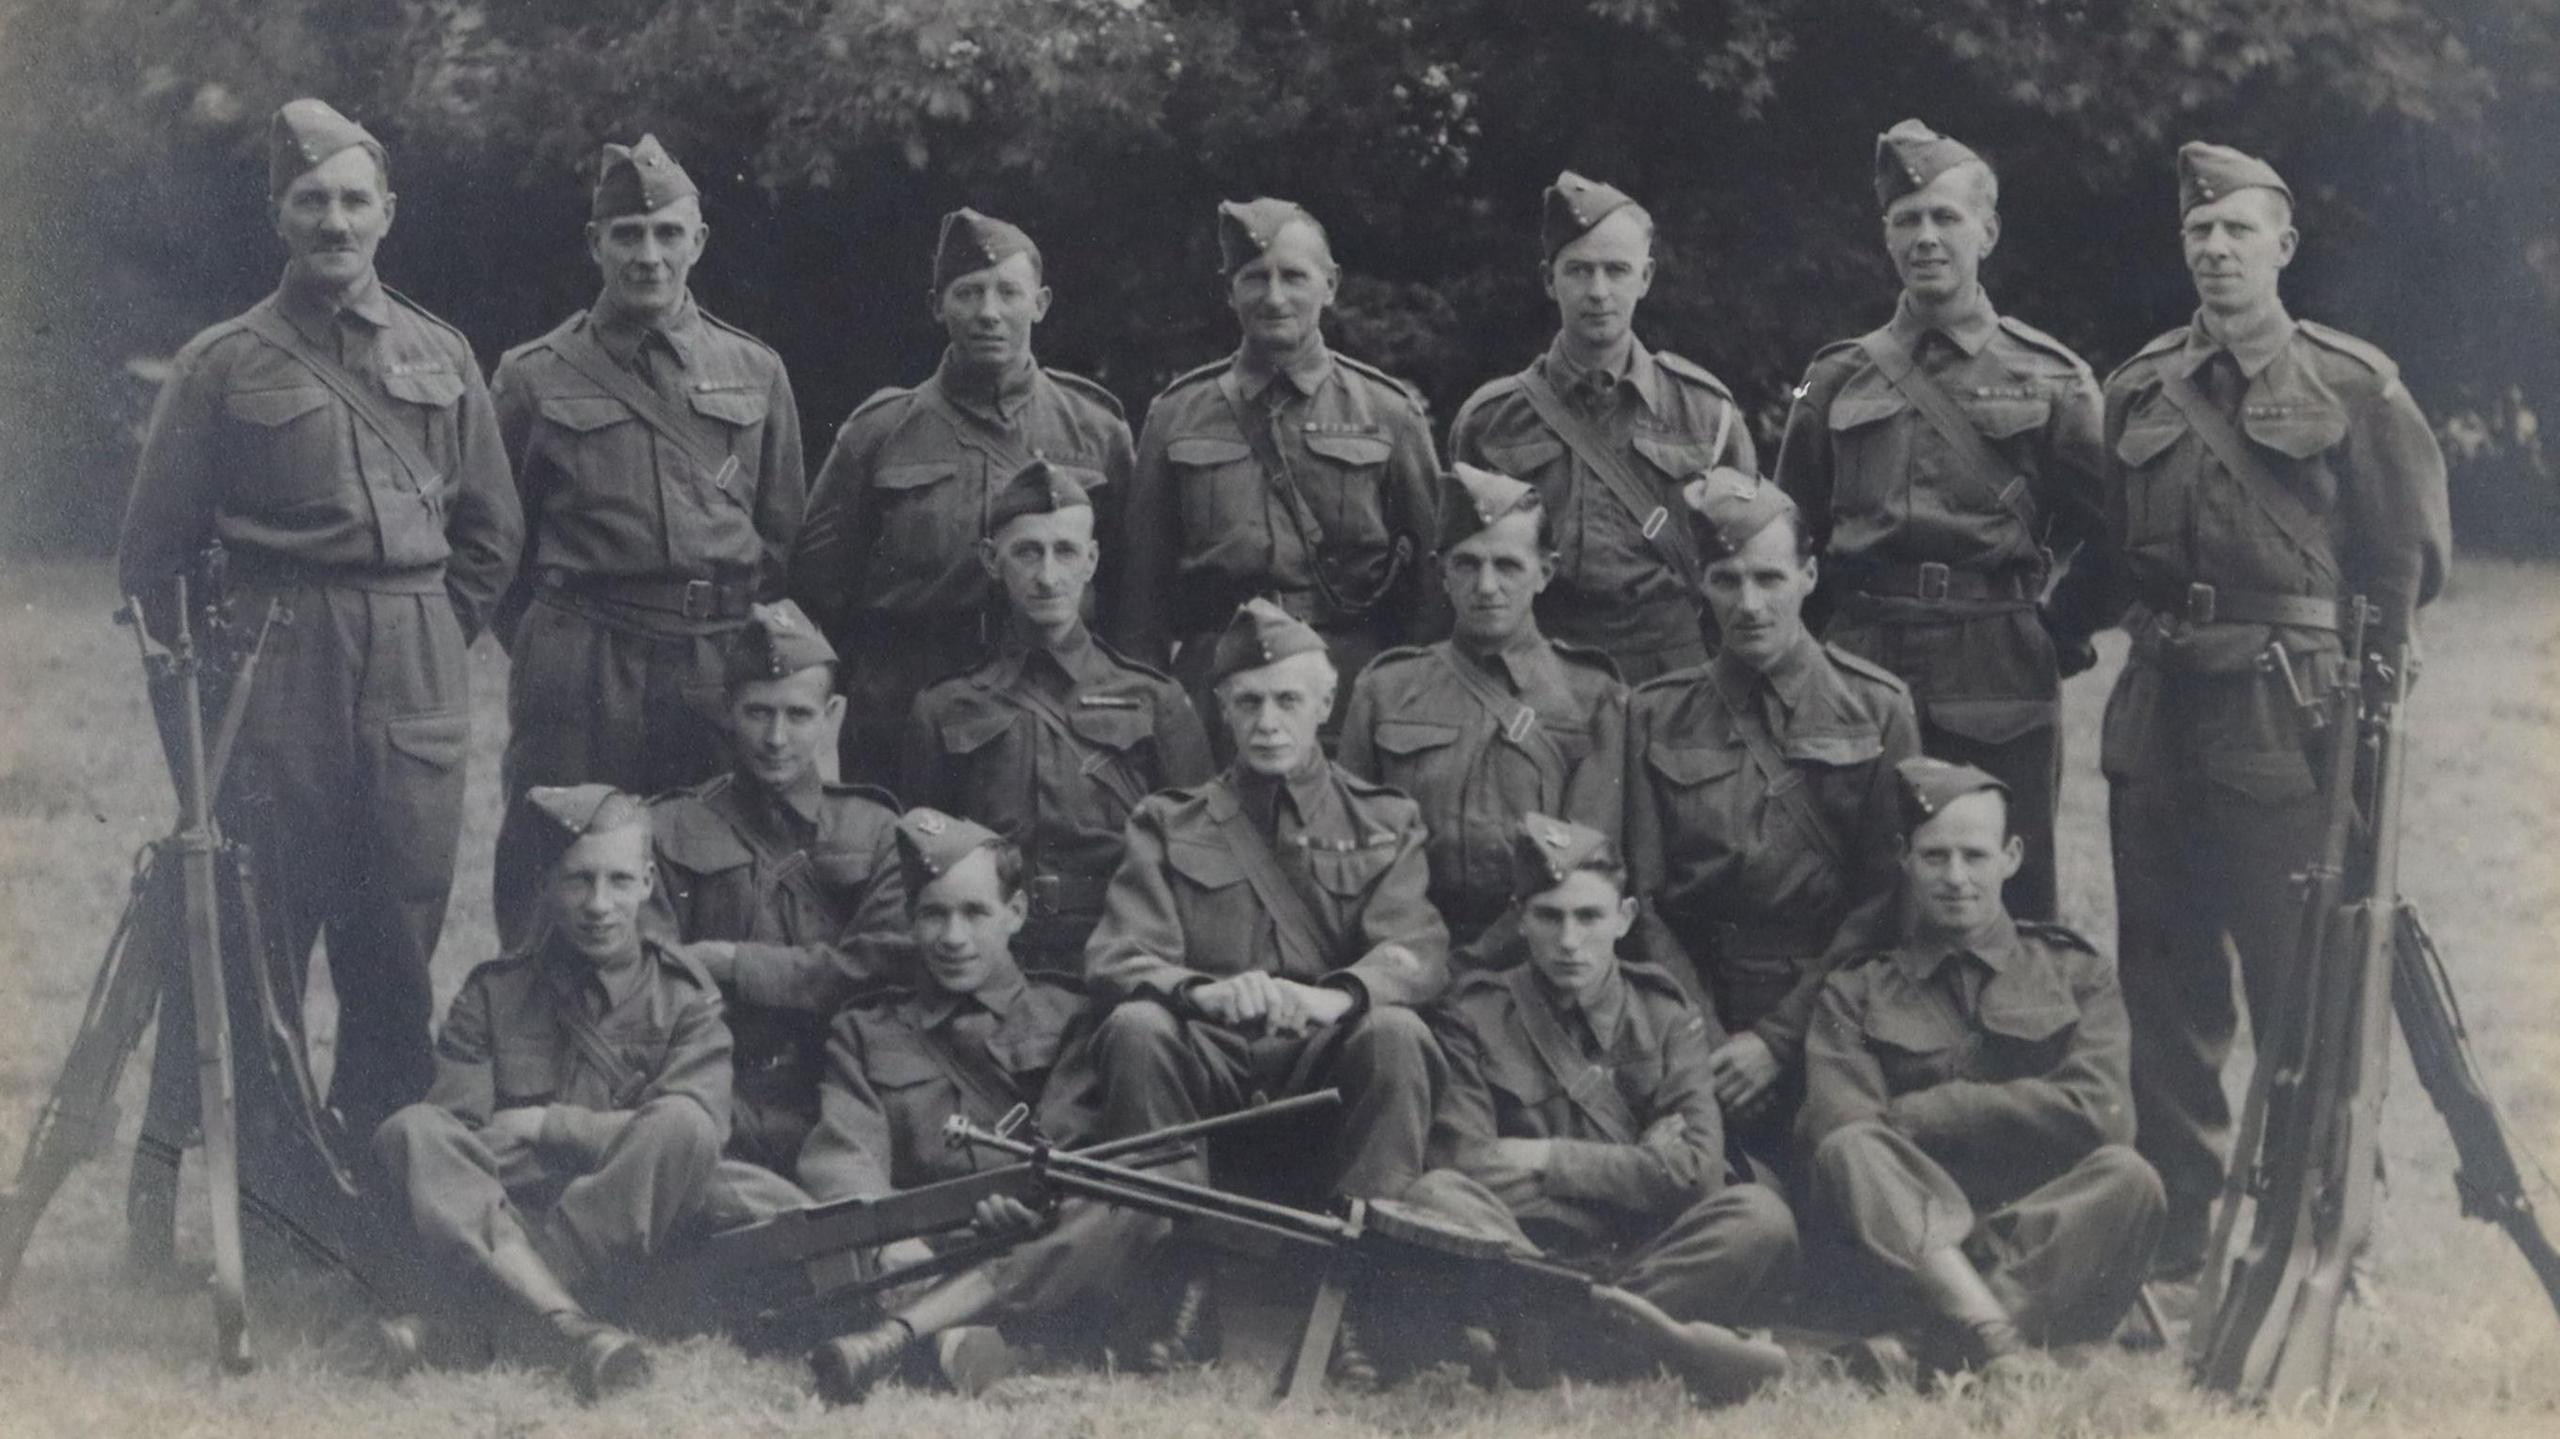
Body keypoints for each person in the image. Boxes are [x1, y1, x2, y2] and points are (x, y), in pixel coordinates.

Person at [116, 98, 522, 1147]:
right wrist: (211, 699)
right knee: (266, 934)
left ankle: (385, 1186)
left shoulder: (443, 351)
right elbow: (152, 554)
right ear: (277, 214)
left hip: (413, 675)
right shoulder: (223, 362)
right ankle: (277, 1184)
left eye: (353, 199)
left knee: (395, 939)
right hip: (273, 670)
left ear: (388, 210)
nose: (334, 221)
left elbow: (490, 531)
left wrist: (423, 632)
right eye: (312, 200)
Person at [2092, 142, 2451, 1279]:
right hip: (2159, 710)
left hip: (2284, 718)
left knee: (2300, 982)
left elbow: (2402, 566)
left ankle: (2315, 1218)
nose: (2214, 249)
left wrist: (2368, 712)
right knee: (2164, 980)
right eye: (2198, 232)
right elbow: (2113, 549)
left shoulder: (2355, 385)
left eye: (2237, 230)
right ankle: (2180, 1225)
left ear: (2281, 247)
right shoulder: (2139, 387)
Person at [1046, 598, 1451, 1378]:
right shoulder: (1167, 821)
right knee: (1136, 1025)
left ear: (1325, 705)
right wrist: (1201, 992)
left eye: (1289, 700)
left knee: (1399, 1035)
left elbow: (1418, 948)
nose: (1269, 721)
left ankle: (1362, 1296)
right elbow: (1120, 954)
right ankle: (1173, 1285)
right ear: (1221, 710)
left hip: (1323, 1065)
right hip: (1214, 1063)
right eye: (1250, 701)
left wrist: (1338, 997)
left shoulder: (1385, 820)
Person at [1773, 121, 2108, 921]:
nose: (1926, 237)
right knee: (1856, 889)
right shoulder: (1835, 377)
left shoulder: (2051, 377)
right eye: (1907, 219)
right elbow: (1791, 532)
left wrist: (2055, 627)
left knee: (2006, 897)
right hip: (1861, 658)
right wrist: (1820, 655)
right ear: (1886, 236)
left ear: (1986, 232)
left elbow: (2117, 529)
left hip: (1995, 661)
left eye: (1946, 218)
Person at [372, 787, 804, 1401]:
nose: (598, 904)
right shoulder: (493, 994)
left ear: (649, 882)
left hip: (634, 1227)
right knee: (412, 1130)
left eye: (619, 881)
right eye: (578, 881)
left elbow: (693, 1132)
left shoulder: (685, 996)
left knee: (682, 1126)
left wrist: (548, 1125)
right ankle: (569, 1322)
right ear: (549, 880)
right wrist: (608, 1140)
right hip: (516, 1213)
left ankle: (514, 1313)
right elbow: (461, 1139)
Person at [487, 135, 807, 941]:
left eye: (668, 234)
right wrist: (555, 640)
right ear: (596, 244)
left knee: (714, 878)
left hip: (712, 659)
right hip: (581, 664)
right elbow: (499, 546)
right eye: (627, 234)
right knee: (556, 874)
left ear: (698, 241)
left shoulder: (755, 371)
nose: (649, 256)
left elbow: (780, 537)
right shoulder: (533, 375)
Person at [1404, 814, 1793, 1402]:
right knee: (1433, 1195)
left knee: (1761, 1216)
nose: (1568, 940)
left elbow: (1695, 1174)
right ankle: (1627, 1340)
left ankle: (1544, 1340)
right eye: (1549, 916)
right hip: (1525, 1247)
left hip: (1643, 1251)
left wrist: (1545, 1156)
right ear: (1521, 919)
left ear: (1625, 919)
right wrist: (1639, 1167)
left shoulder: (1664, 1014)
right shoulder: (1475, 1014)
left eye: (1589, 917)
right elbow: (1468, 1164)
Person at [1797, 759, 2163, 1384]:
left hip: (2039, 1236)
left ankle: (1928, 1344)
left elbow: (2102, 1113)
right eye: (1935, 857)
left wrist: (1936, 1112)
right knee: (1851, 1148)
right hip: (1906, 1245)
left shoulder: (2075, 972)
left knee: (2130, 1177)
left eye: (1975, 855)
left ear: (2012, 857)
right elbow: (1845, 1126)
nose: (1956, 878)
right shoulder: (1856, 988)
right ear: (1904, 859)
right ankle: (1997, 1344)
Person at [800, 810, 1177, 1404]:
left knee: (1131, 1198)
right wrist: (887, 1235)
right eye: (934, 914)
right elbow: (845, 1153)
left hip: (1040, 1247)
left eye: (975, 913)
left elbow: (1072, 1145)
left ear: (1016, 914)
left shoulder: (1070, 1018)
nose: (953, 938)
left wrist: (1036, 1207)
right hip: (917, 1255)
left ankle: (900, 1339)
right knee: (820, 1234)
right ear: (910, 918)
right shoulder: (866, 1030)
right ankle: (963, 1341)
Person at [1623, 472, 1918, 1169]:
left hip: (1826, 1005)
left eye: (1770, 578)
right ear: (1701, 585)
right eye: (1726, 580)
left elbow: (1888, 896)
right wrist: (1704, 1036)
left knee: (1842, 1181)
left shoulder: (1876, 709)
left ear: (1809, 576)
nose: (1750, 605)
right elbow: (1640, 894)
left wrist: (1778, 1040)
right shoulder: (1653, 712)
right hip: (1685, 1004)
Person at [789, 209, 1134, 786]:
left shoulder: (1095, 429)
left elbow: (1128, 590)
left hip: (1054, 700)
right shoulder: (880, 433)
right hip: (905, 702)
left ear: (1041, 303)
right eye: (968, 293)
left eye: (1008, 293)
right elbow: (817, 590)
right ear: (937, 306)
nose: (990, 313)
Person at [1114, 198, 1444, 740]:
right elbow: (1141, 596)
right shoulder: (1177, 415)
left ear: (1330, 285)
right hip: (1213, 686)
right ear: (1228, 292)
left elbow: (1433, 583)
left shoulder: (1386, 413)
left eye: (1293, 276)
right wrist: (1152, 719)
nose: (1274, 297)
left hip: (1346, 682)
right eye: (1253, 279)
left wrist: (1404, 703)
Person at [901, 460, 1214, 975]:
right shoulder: (944, 709)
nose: (1047, 576)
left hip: (1122, 956)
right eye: (1027, 552)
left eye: (1065, 551)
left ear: (1091, 560)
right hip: (996, 963)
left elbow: (1198, 863)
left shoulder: (1155, 700)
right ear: (990, 560)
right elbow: (925, 865)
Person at [1449, 171, 1756, 684]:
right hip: (1535, 670)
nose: (1598, 292)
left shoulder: (1705, 412)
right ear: (1550, 279)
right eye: (1579, 271)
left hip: (1676, 673)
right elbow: (1458, 567)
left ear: (1646, 277)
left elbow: (1749, 559)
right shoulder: (1490, 419)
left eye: (1616, 270)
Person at [648, 599, 909, 1180]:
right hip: (717, 1095)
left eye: (798, 714)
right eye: (757, 712)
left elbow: (879, 970)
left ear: (832, 714)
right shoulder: (669, 829)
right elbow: (655, 984)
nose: (775, 737)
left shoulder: (876, 830)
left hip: (844, 1100)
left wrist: (733, 964)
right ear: (726, 711)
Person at [1337, 463, 1625, 949]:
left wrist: (1480, 966)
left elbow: (1581, 865)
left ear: (1544, 573)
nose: (1487, 586)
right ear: (1441, 573)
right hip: (1405, 948)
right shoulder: (1385, 689)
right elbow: (1352, 855)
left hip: (1541, 957)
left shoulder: (1591, 696)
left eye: (1508, 566)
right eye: (1467, 564)